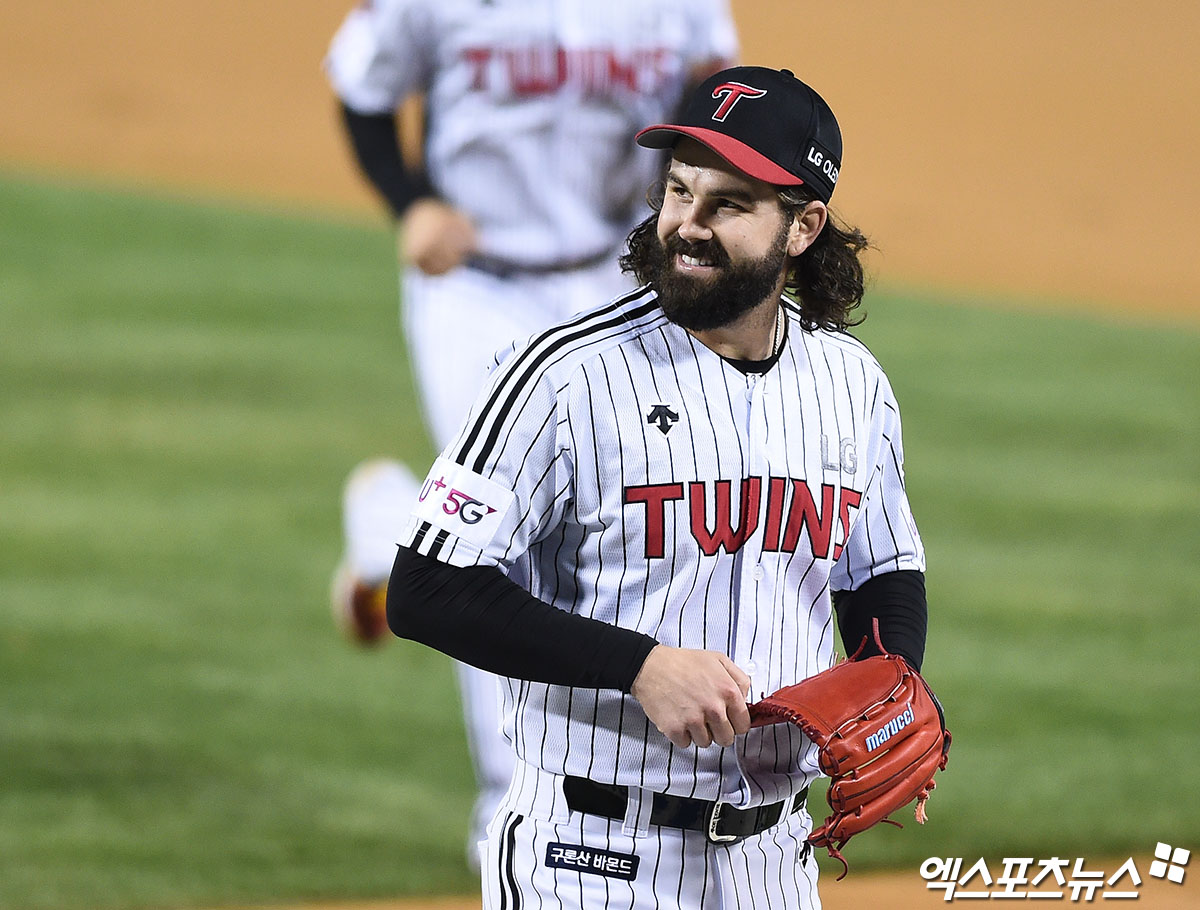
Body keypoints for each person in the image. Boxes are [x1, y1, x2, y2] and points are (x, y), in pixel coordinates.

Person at [386, 65, 931, 909]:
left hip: (774, 864)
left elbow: (882, 571)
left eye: (728, 204)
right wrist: (638, 666)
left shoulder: (851, 384)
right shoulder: (562, 377)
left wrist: (894, 688)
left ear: (803, 226)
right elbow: (426, 587)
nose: (688, 224)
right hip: (589, 858)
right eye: (680, 190)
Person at [322, 0, 739, 867]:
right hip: (476, 290)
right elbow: (362, 86)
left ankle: (390, 527)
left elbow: (711, 95)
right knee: (501, 546)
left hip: (621, 278)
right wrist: (411, 202)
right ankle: (504, 803)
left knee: (617, 520)